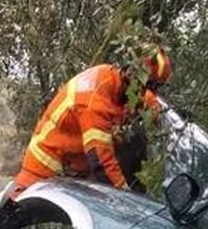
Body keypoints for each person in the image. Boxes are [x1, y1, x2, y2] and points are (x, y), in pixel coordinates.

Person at [10, 42, 171, 197]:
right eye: (150, 86)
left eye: (156, 87)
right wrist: (126, 198)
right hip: (41, 176)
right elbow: (101, 161)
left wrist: (167, 115)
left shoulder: (119, 83)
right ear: (132, 74)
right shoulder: (95, 100)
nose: (150, 93)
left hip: (67, 175)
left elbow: (148, 99)